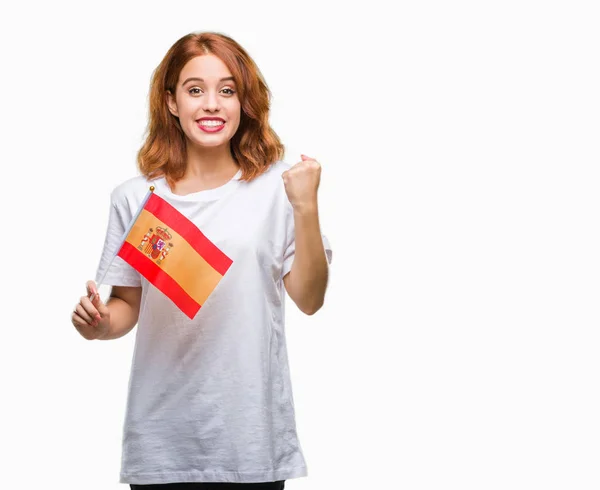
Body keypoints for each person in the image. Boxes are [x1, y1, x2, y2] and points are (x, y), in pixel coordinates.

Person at [70, 31, 333, 489]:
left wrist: (307, 206)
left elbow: (309, 300)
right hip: (161, 442)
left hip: (252, 442)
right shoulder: (139, 199)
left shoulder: (279, 189)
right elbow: (126, 307)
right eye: (196, 90)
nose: (212, 104)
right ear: (172, 102)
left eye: (227, 90)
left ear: (243, 102)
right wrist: (98, 323)